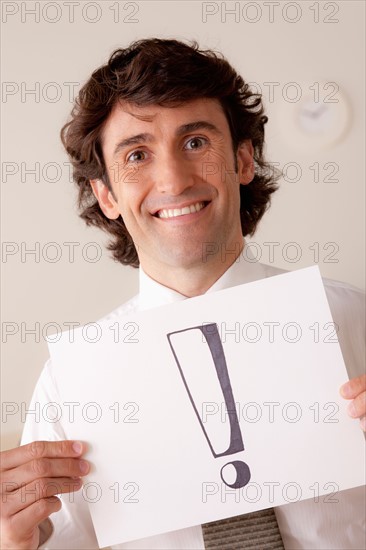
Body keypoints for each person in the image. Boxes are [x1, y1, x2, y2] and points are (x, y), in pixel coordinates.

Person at [1, 38, 365, 550]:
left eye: (195, 142)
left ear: (242, 161)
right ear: (107, 195)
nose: (172, 179)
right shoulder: (70, 382)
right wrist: (16, 542)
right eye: (138, 154)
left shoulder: (356, 322)